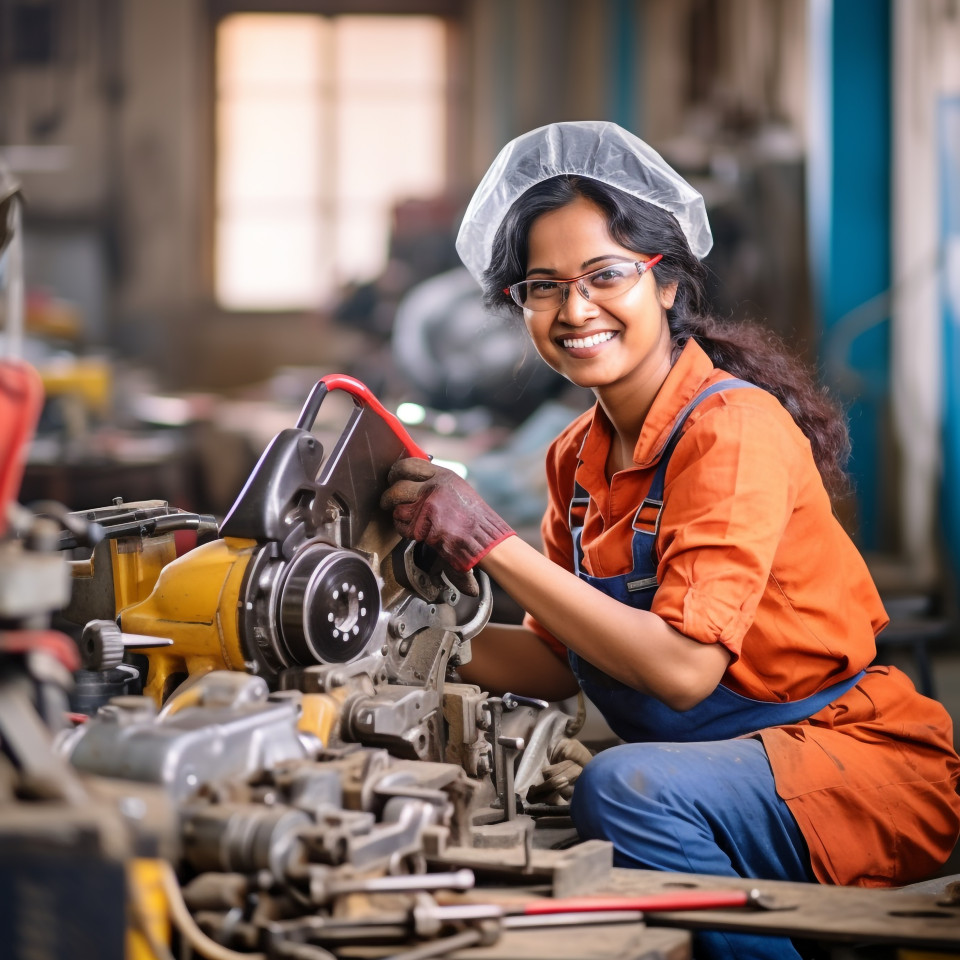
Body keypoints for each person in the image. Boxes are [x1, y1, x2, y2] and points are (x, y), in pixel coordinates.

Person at [380, 121, 960, 960]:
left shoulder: (731, 431)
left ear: (666, 283)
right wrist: (397, 642)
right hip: (726, 768)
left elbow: (684, 671)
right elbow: (559, 659)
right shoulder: (573, 456)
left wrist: (489, 542)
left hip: (850, 766)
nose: (575, 310)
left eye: (605, 275)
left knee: (623, 788)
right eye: (543, 287)